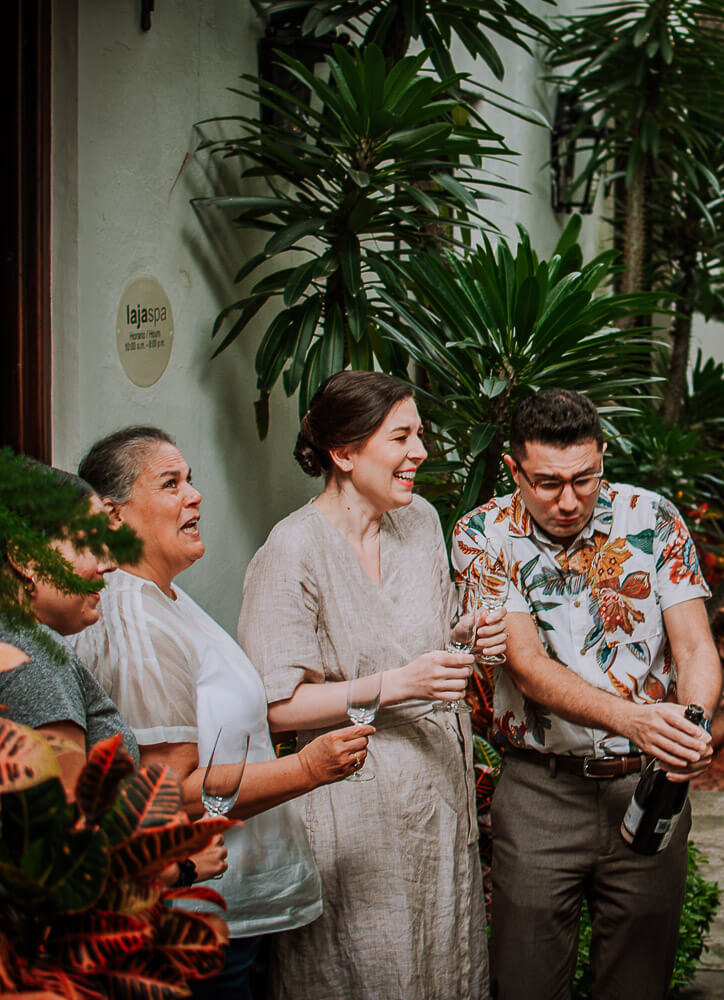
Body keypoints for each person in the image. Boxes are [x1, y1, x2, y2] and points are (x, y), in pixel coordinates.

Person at [72, 427, 372, 1000]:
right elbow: (163, 793)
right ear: (113, 515)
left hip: (226, 910)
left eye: (189, 479)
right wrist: (306, 770)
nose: (195, 495)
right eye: (170, 484)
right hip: (191, 919)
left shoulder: (164, 595)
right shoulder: (135, 619)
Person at [237, 371, 502, 1000]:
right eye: (402, 437)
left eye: (420, 435)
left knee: (443, 961)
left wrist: (467, 635)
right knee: (365, 970)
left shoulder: (421, 523)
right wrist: (395, 685)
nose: (421, 452)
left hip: (438, 797)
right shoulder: (292, 551)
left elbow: (429, 639)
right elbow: (278, 707)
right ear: (344, 453)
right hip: (352, 804)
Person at [452, 388, 720, 1000]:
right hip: (539, 792)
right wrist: (637, 720)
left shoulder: (652, 518)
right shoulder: (482, 534)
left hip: (647, 784)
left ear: (601, 454)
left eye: (584, 478)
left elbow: (696, 648)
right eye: (547, 483)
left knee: (638, 986)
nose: (569, 500)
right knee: (525, 983)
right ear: (514, 469)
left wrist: (691, 730)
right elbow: (527, 666)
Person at [0, 468, 228, 884]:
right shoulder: (33, 656)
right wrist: (180, 867)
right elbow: (62, 857)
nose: (108, 563)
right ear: (26, 558)